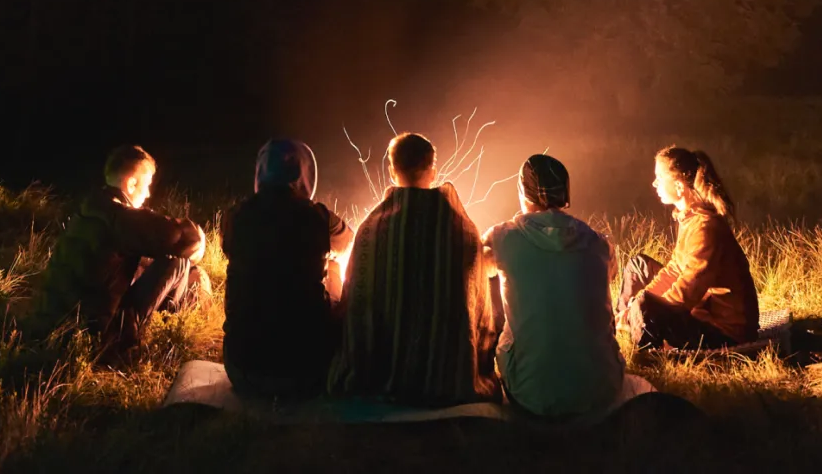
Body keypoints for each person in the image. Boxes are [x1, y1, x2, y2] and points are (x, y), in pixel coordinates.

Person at [329, 132, 499, 405]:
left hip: (380, 369)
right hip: (446, 373)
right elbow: (478, 306)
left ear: (392, 171)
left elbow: (356, 304)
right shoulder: (461, 227)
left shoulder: (372, 228)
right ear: (433, 170)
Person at [482, 153, 627, 419]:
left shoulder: (501, 237)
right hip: (602, 388)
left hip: (530, 393)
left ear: (522, 191)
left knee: (492, 283)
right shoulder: (598, 242)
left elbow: (474, 269)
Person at [36, 144, 206, 355]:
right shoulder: (121, 216)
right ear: (132, 183)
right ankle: (166, 333)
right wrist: (199, 243)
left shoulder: (90, 207)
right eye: (147, 185)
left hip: (57, 326)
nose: (148, 194)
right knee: (178, 261)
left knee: (144, 263)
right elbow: (184, 238)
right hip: (97, 336)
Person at [222, 138, 355, 399]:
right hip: (307, 372)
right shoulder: (318, 216)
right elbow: (348, 240)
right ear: (305, 174)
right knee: (334, 265)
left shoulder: (234, 216)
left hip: (241, 368)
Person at [615, 145, 759, 349]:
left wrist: (645, 309)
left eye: (659, 177)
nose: (654, 183)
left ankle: (647, 352)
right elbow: (675, 269)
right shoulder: (691, 218)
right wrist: (638, 303)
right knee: (638, 267)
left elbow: (688, 291)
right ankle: (621, 323)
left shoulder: (705, 226)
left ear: (679, 186)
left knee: (644, 304)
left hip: (722, 331)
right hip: (701, 311)